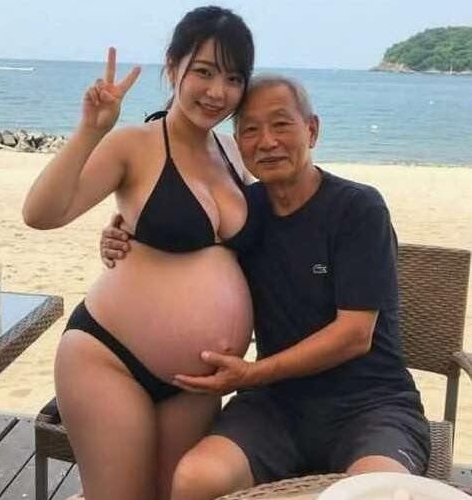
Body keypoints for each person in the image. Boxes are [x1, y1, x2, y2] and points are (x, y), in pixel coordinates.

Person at [101, 75, 431, 500]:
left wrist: (253, 373)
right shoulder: (242, 214)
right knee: (194, 481)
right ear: (238, 143)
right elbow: (180, 242)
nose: (267, 141)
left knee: (374, 494)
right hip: (276, 406)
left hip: (371, 404)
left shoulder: (357, 208)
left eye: (281, 124)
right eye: (251, 130)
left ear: (311, 130)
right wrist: (125, 232)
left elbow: (355, 334)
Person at [22, 6, 257, 500]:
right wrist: (91, 130)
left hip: (194, 382)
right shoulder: (134, 144)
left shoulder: (235, 154)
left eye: (233, 78)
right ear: (172, 67)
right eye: (204, 71)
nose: (217, 91)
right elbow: (41, 214)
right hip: (111, 359)